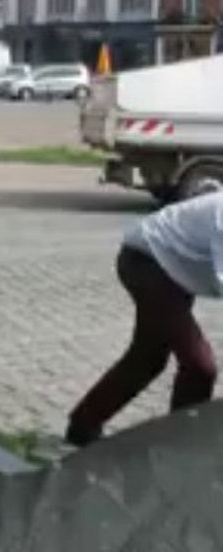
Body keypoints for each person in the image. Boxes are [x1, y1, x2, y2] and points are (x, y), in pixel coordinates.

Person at [65, 190, 223, 447]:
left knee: (147, 358)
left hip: (174, 271)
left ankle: (82, 426)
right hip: (146, 262)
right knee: (199, 367)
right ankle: (181, 449)